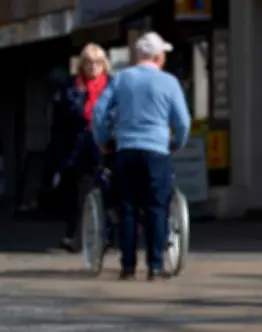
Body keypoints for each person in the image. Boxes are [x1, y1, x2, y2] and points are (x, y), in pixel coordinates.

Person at [92, 32, 191, 281]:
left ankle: (127, 266)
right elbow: (183, 121)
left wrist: (103, 140)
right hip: (157, 150)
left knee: (127, 208)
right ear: (158, 57)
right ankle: (155, 265)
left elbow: (99, 112)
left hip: (126, 149)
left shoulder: (122, 79)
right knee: (156, 207)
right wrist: (176, 142)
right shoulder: (169, 82)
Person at [49, 43, 111, 252]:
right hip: (77, 149)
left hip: (105, 148)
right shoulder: (71, 87)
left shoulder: (111, 87)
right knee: (79, 192)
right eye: (88, 62)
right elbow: (61, 122)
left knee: (106, 191)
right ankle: (77, 236)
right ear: (81, 65)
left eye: (98, 62)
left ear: (104, 65)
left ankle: (106, 236)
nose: (93, 67)